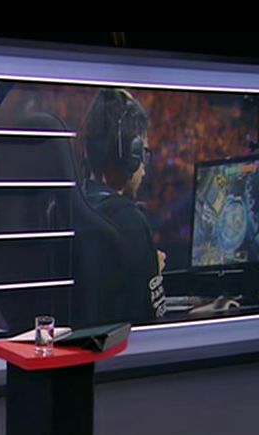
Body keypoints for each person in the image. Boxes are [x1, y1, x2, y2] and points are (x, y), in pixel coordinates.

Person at [81, 88, 166, 324]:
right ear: (131, 154)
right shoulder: (129, 221)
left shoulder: (70, 207)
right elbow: (152, 320)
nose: (144, 167)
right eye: (144, 153)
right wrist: (152, 270)